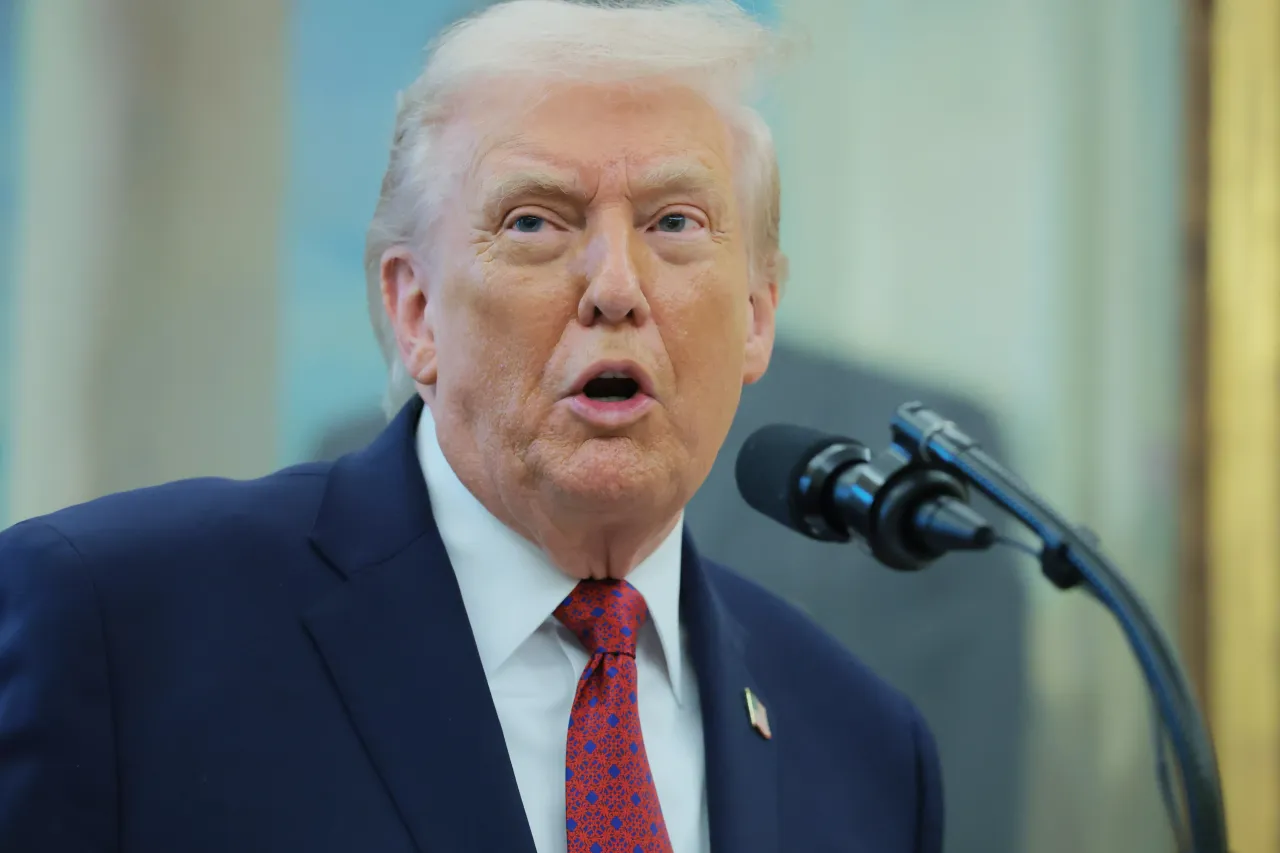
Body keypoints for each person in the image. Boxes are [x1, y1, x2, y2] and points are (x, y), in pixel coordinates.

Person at [0, 2, 943, 851]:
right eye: (535, 222)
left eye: (676, 222)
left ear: (756, 312)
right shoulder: (116, 627)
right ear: (415, 312)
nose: (616, 286)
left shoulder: (864, 749)